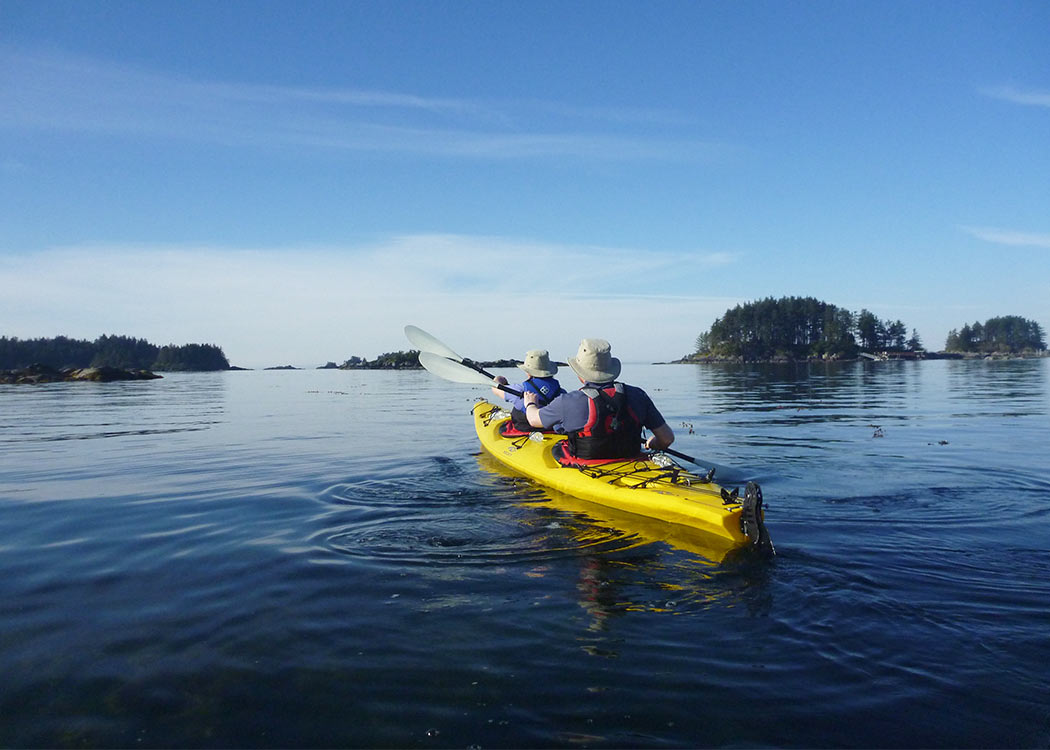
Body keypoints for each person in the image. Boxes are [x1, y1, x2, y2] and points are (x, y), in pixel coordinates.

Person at [522, 338, 674, 459]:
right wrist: (653, 443)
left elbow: (534, 420)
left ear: (580, 373)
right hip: (631, 458)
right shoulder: (638, 395)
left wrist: (530, 404)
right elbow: (666, 439)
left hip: (587, 463)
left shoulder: (567, 401)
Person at [491, 349, 564, 431]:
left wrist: (498, 379)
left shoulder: (520, 389)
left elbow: (495, 389)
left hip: (526, 431)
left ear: (528, 373)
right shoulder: (561, 393)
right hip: (551, 431)